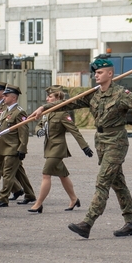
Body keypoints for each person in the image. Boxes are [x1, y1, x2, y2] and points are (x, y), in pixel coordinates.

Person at [28, 58, 132, 239]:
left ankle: (87, 223)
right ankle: (131, 223)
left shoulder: (122, 94)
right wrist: (44, 107)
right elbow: (68, 103)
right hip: (101, 142)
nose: (96, 75)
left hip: (116, 142)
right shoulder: (94, 94)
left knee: (103, 181)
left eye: (100, 72)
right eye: (95, 73)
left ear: (110, 74)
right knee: (118, 183)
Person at [27, 85, 93, 213]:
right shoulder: (47, 112)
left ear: (58, 97)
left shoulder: (63, 113)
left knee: (46, 174)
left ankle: (38, 203)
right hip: (48, 147)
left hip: (58, 148)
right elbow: (39, 124)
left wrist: (84, 147)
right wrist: (39, 130)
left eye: (50, 96)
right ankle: (74, 199)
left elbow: (74, 130)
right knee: (63, 175)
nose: (47, 99)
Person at [0, 84, 37, 207]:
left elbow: (24, 133)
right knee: (19, 173)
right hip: (2, 147)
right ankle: (30, 194)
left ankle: (2, 199)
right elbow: (2, 128)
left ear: (14, 98)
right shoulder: (6, 111)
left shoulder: (19, 112)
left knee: (7, 173)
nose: (3, 97)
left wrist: (22, 148)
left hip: (13, 148)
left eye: (6, 96)